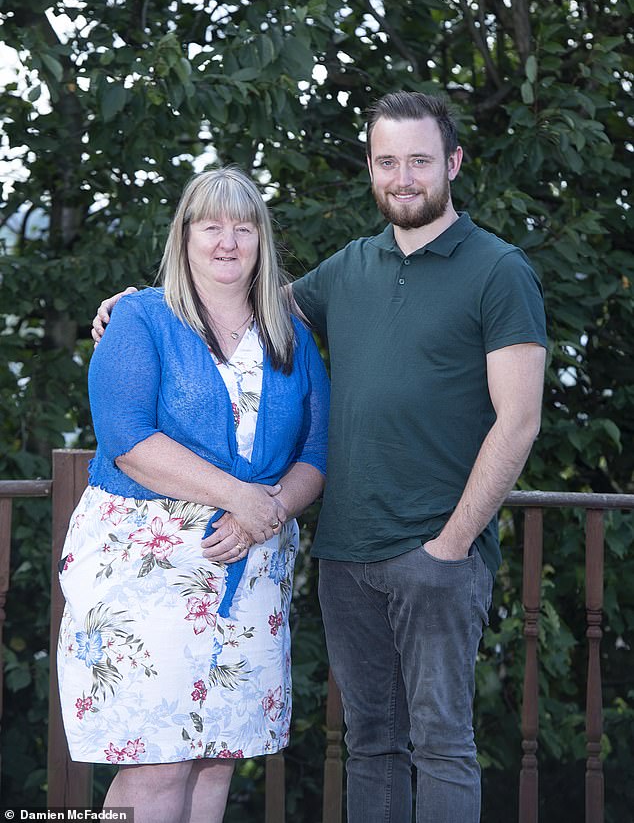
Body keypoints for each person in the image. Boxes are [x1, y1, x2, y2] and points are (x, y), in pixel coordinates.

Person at [92, 92, 547, 823]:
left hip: (437, 547)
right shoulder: (349, 268)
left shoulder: (498, 270)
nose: (403, 177)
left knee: (442, 746)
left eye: (420, 161)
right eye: (388, 160)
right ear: (370, 168)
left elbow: (519, 420)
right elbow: (241, 299)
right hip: (346, 556)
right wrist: (141, 303)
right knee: (370, 743)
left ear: (453, 164)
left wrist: (452, 544)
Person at [58, 165, 329, 823]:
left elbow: (317, 453)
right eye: (211, 225)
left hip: (252, 572)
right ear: (184, 236)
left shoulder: (289, 335)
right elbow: (128, 440)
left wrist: (269, 510)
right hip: (145, 576)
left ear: (262, 240)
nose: (227, 241)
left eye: (243, 227)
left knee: (215, 760)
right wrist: (239, 494)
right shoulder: (141, 318)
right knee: (159, 762)